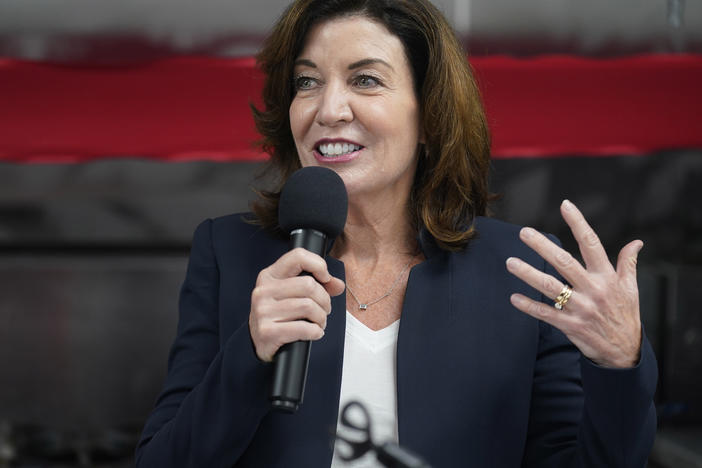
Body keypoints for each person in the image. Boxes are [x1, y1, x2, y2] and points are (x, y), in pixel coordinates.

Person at [136, 0, 657, 466]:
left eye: (365, 80)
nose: (328, 110)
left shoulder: (519, 270)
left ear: (429, 116)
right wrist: (249, 353)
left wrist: (619, 363)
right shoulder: (229, 252)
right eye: (306, 81)